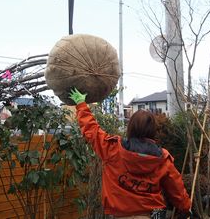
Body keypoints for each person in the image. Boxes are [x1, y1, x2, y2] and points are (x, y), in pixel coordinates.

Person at [69, 87, 192, 219]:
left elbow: (92, 131)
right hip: (153, 215)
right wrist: (185, 208)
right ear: (153, 131)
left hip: (120, 215)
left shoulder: (113, 149)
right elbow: (177, 190)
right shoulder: (163, 159)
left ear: (130, 127)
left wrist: (81, 104)